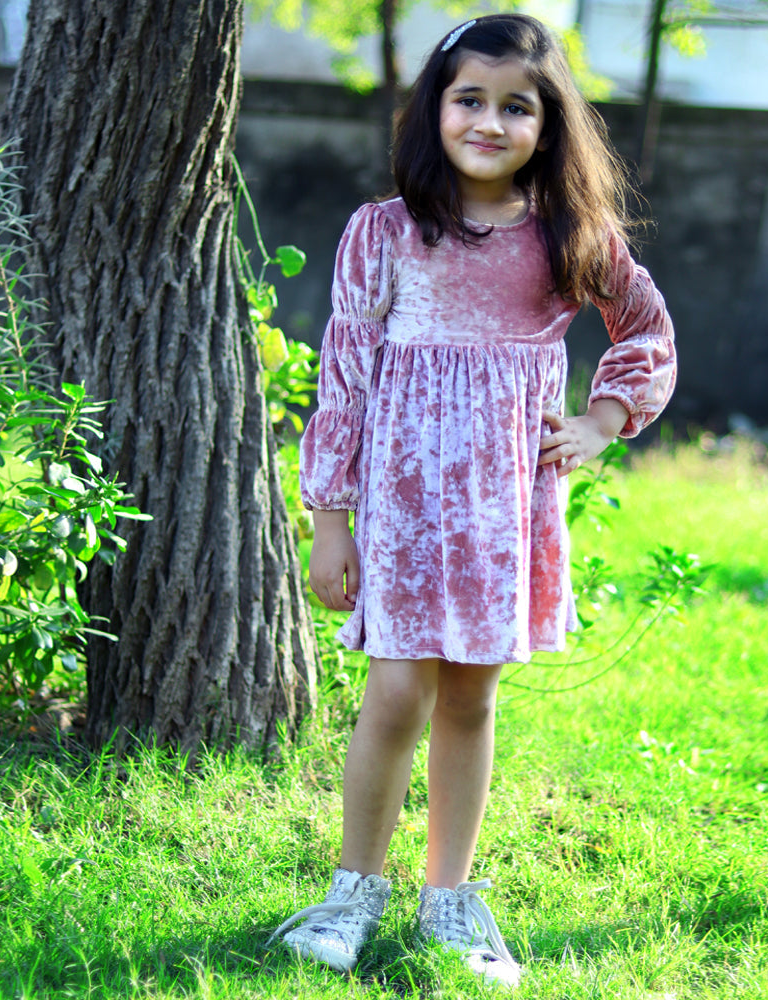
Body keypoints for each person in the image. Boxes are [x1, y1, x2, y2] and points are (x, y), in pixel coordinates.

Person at [267, 12, 676, 987]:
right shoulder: (384, 231)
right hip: (403, 510)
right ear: (435, 109)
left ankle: (447, 900)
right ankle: (352, 894)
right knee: (395, 692)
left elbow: (645, 328)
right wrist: (330, 522)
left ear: (548, 123)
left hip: (503, 511)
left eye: (516, 107)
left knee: (469, 697)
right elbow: (344, 382)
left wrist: (602, 421)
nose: (489, 122)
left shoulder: (568, 234)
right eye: (469, 100)